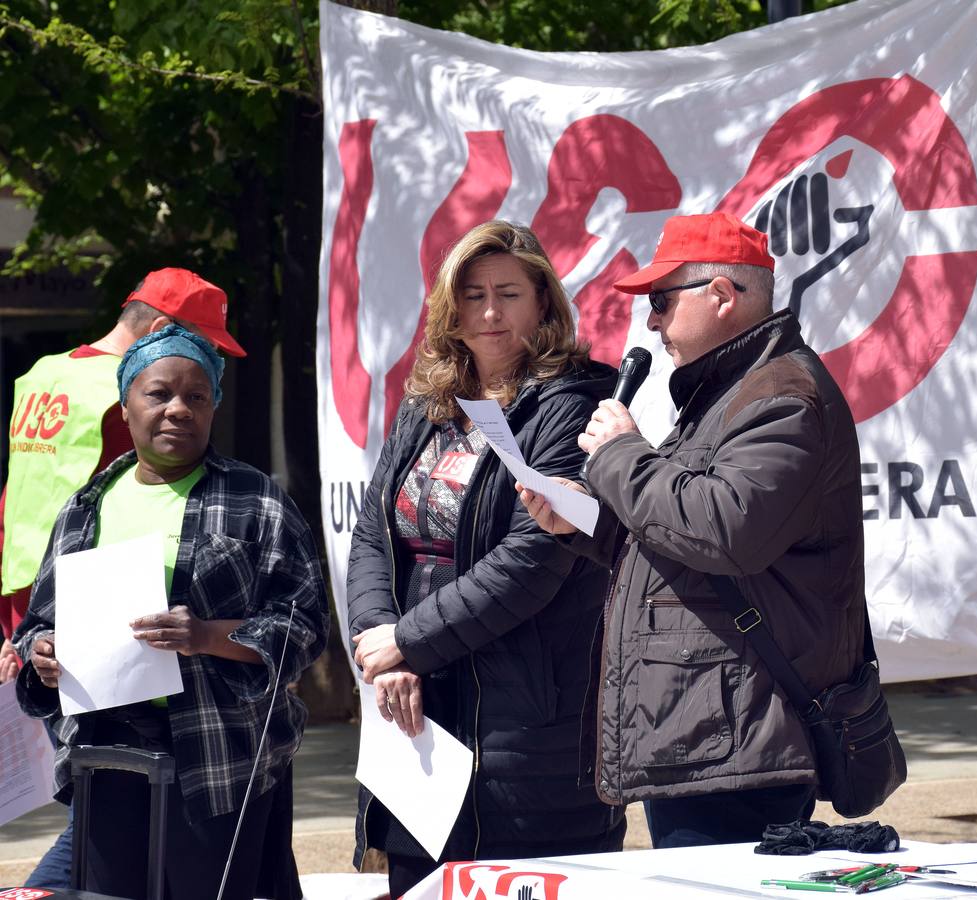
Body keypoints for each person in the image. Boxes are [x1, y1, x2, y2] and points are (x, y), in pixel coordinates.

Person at [518, 211, 867, 848]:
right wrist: (583, 521)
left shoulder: (783, 398)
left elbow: (726, 533)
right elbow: (675, 544)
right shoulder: (730, 392)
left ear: (722, 295)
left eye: (660, 301)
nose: (650, 322)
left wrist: (620, 456)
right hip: (710, 726)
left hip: (739, 735)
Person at [347, 221, 624, 895]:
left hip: (525, 726)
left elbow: (535, 557)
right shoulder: (427, 401)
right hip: (412, 712)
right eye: (472, 296)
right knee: (415, 884)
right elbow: (371, 540)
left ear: (543, 303)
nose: (490, 313)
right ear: (451, 309)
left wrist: (408, 642)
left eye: (508, 293)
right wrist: (381, 653)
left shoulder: (575, 400)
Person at [10, 326, 325, 900]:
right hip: (106, 755)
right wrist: (43, 654)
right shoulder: (86, 506)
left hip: (218, 759)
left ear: (213, 408)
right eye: (159, 394)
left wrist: (207, 635)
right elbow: (39, 622)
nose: (178, 409)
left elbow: (304, 628)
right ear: (125, 404)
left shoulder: (256, 501)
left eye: (196, 397)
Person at [0, 267, 246, 889]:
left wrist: (16, 628)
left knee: (93, 784)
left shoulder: (45, 375)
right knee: (102, 790)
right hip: (95, 619)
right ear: (163, 331)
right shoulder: (128, 398)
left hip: (31, 610)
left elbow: (15, 501)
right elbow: (141, 511)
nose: (204, 363)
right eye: (205, 341)